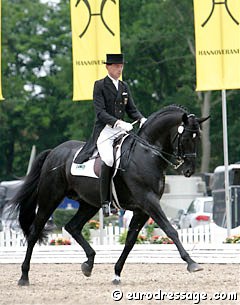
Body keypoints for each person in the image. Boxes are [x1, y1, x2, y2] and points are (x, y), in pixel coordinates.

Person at [75, 53, 147, 217]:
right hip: (105, 130)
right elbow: (100, 112)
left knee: (132, 156)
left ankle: (125, 195)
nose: (119, 69)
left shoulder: (124, 86)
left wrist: (141, 119)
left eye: (121, 66)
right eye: (116, 66)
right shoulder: (99, 85)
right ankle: (105, 202)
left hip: (122, 130)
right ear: (108, 67)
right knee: (108, 159)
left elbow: (132, 109)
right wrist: (118, 122)